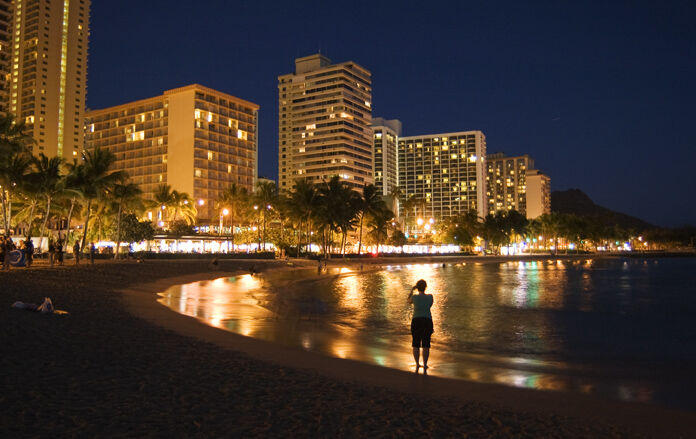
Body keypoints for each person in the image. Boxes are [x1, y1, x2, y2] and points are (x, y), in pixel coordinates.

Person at [408, 279, 434, 371]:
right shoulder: (430, 297)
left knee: (416, 343)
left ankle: (417, 364)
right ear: (425, 287)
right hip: (427, 320)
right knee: (426, 344)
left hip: (416, 321)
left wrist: (412, 290)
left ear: (417, 287)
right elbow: (429, 305)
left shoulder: (414, 297)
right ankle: (425, 364)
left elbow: (408, 301)